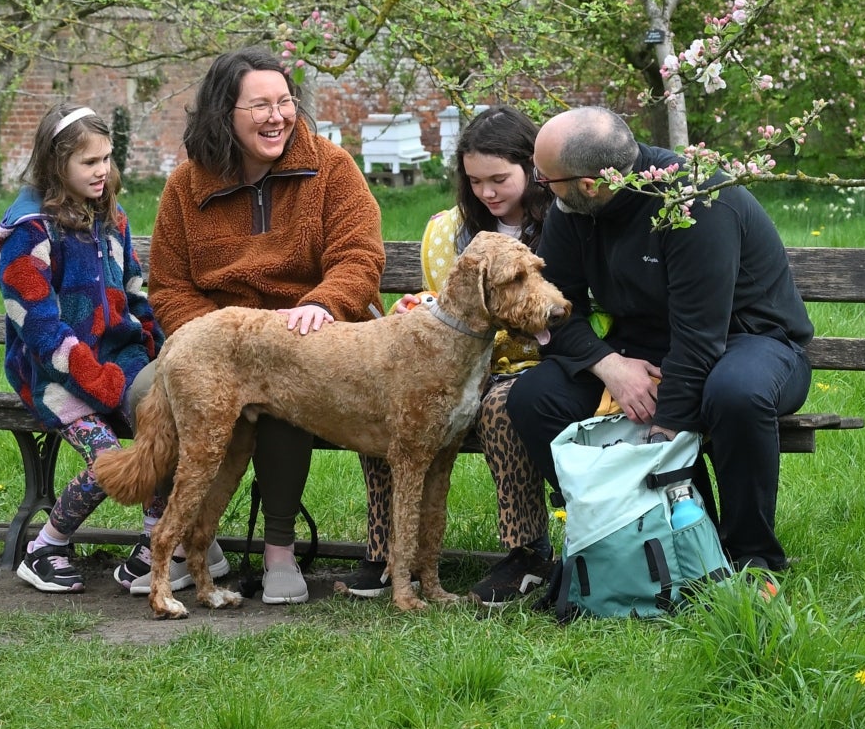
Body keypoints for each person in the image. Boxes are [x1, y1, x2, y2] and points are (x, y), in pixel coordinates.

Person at [506, 104, 814, 573]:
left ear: (591, 183)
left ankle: (751, 557)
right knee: (534, 396)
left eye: (544, 179)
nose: (538, 186)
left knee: (735, 392)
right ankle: (634, 533)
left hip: (751, 341)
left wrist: (663, 428)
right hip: (643, 347)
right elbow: (554, 307)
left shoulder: (695, 202)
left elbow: (700, 336)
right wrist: (610, 366)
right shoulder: (574, 207)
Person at [139, 47, 385, 604]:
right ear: (224, 114)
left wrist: (324, 302)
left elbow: (360, 257)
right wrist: (219, 342)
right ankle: (190, 542)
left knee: (290, 396)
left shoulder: (330, 168)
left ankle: (279, 548)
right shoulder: (187, 186)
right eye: (260, 106)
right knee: (146, 390)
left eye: (285, 102)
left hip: (303, 338)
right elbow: (170, 287)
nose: (277, 116)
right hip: (212, 341)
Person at [345, 106, 559, 606]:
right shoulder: (449, 231)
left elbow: (557, 308)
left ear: (532, 167)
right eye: (476, 181)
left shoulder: (560, 226)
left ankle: (526, 552)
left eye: (500, 179)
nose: (488, 192)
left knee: (501, 409)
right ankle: (386, 551)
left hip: (531, 366)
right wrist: (419, 305)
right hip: (454, 365)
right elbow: (446, 302)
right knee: (391, 405)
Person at [0, 106, 161, 593]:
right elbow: (40, 326)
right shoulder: (30, 230)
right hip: (52, 372)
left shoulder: (110, 216)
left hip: (120, 360)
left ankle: (155, 543)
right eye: (89, 162)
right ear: (56, 164)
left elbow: (135, 292)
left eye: (107, 158)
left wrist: (160, 350)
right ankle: (46, 545)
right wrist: (91, 377)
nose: (102, 170)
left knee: (167, 427)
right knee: (108, 457)